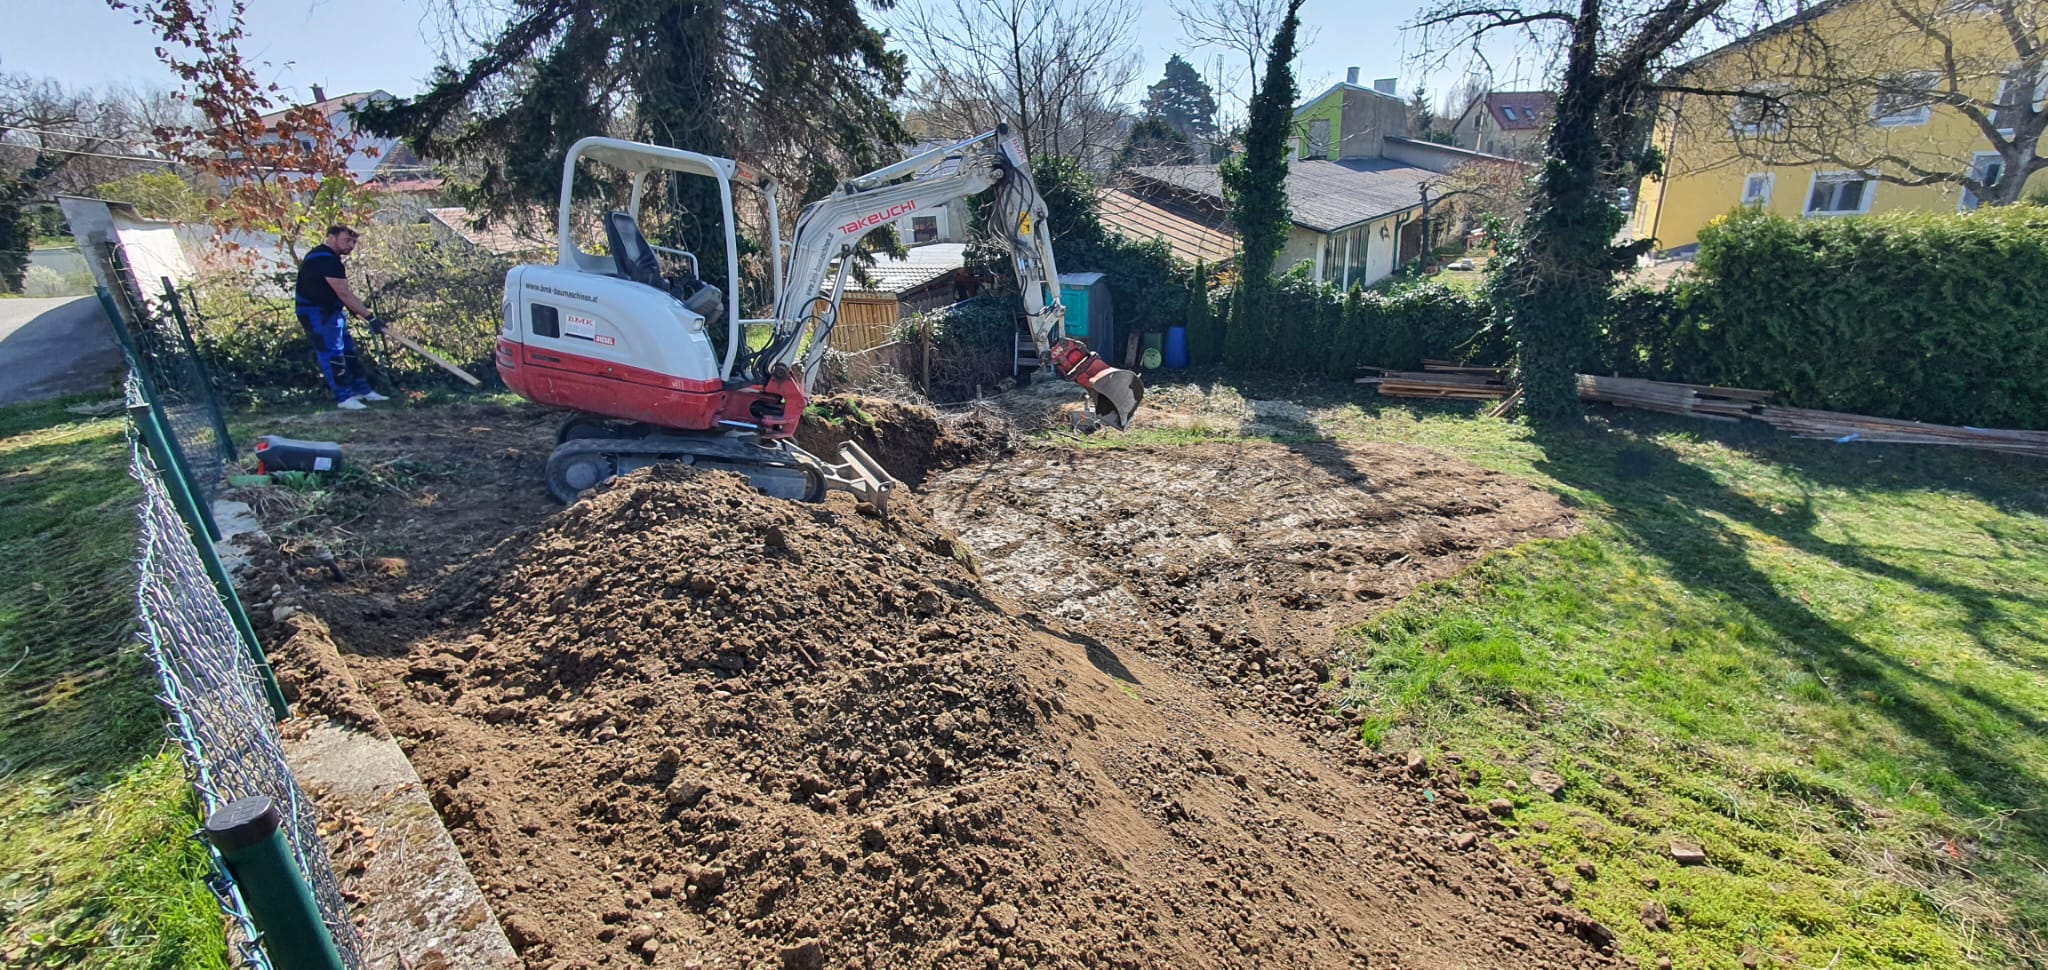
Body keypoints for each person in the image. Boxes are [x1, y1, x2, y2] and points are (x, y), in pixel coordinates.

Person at [294, 224, 388, 410]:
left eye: (354, 241)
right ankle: (344, 398)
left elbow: (338, 294)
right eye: (347, 240)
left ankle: (361, 391)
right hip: (317, 313)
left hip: (331, 311)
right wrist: (370, 318)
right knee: (333, 354)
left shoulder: (329, 258)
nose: (351, 245)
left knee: (348, 352)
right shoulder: (325, 260)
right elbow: (344, 294)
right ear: (331, 237)